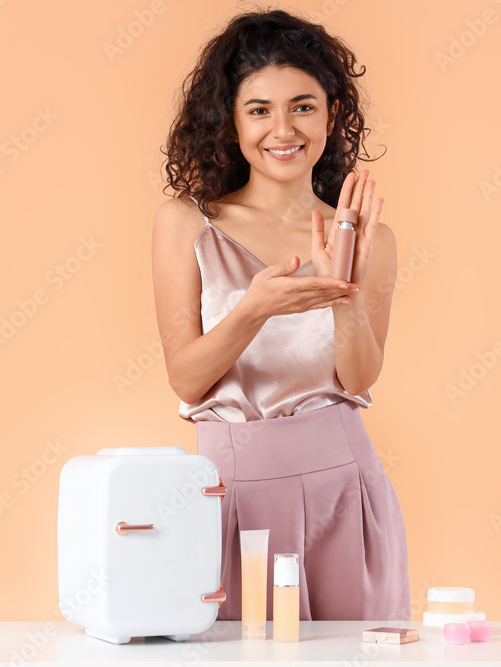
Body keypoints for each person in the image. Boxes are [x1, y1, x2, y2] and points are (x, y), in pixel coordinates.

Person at [151, 8, 410, 622]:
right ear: (231, 123)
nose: (283, 128)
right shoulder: (187, 224)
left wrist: (344, 290)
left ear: (331, 114)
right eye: (259, 109)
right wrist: (254, 309)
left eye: (303, 105)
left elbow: (359, 379)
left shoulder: (371, 237)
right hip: (230, 494)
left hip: (345, 491)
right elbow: (187, 378)